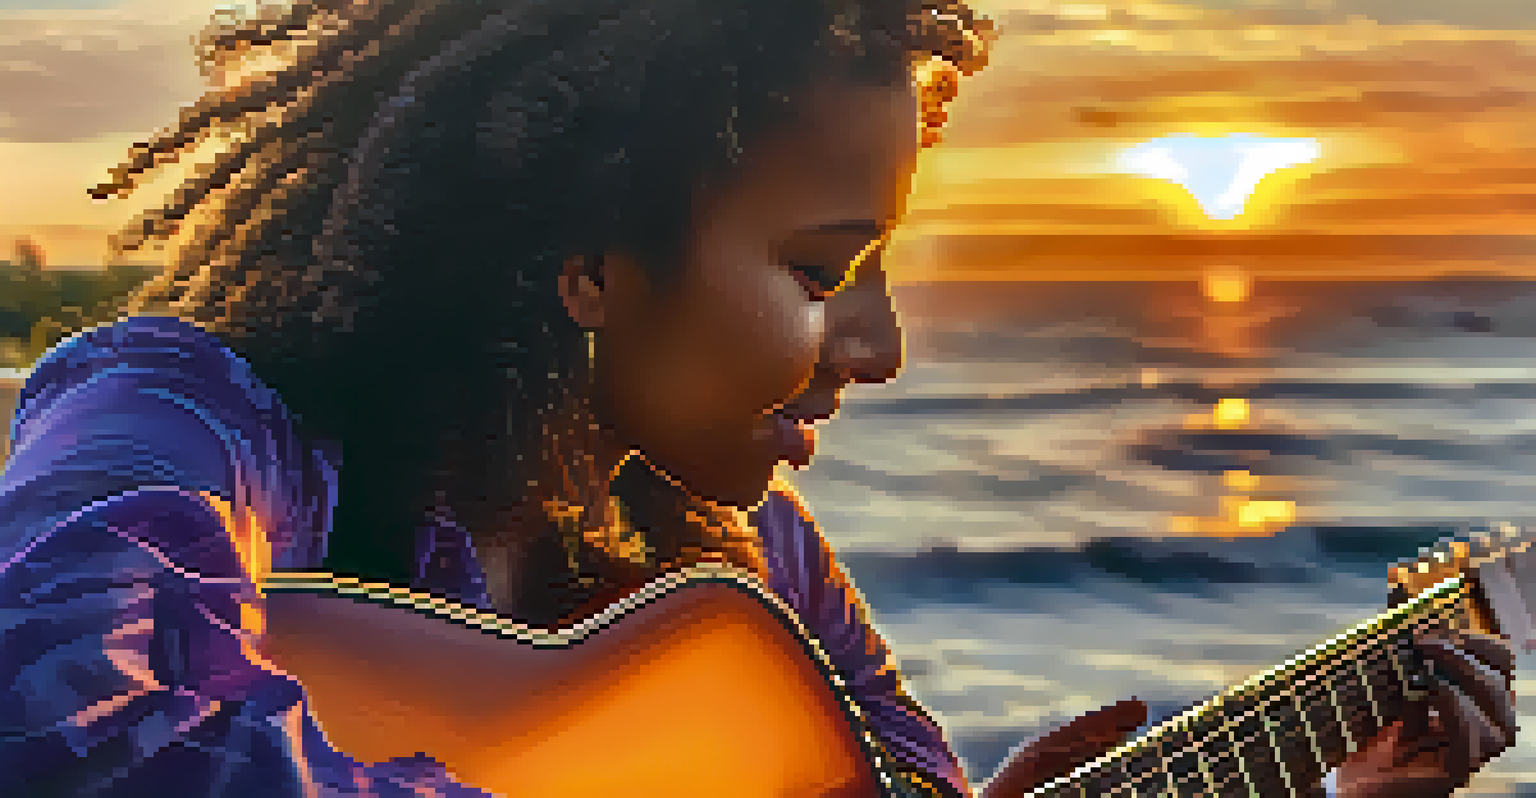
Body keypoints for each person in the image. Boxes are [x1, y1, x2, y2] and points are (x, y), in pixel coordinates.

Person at [0, 1, 1515, 796]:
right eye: (819, 268)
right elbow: (55, 721)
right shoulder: (198, 419)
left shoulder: (760, 565)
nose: (881, 347)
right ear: (590, 264)